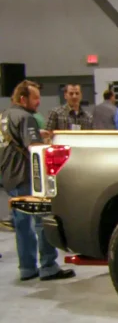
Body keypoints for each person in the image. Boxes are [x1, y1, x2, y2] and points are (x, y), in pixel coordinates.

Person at [0, 80, 75, 281]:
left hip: (9, 177)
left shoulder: (4, 116)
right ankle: (49, 266)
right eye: (35, 98)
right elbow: (35, 148)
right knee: (43, 221)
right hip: (27, 177)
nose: (38, 102)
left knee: (22, 225)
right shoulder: (26, 117)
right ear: (23, 99)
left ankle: (27, 268)